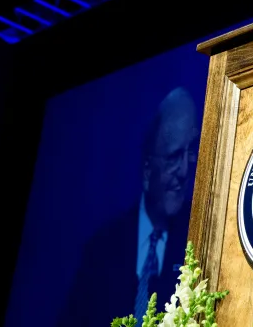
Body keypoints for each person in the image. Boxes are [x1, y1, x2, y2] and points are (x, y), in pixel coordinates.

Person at [60, 87, 200, 326]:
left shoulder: (198, 239)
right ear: (147, 170)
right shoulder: (101, 250)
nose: (185, 171)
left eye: (190, 152)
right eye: (173, 157)